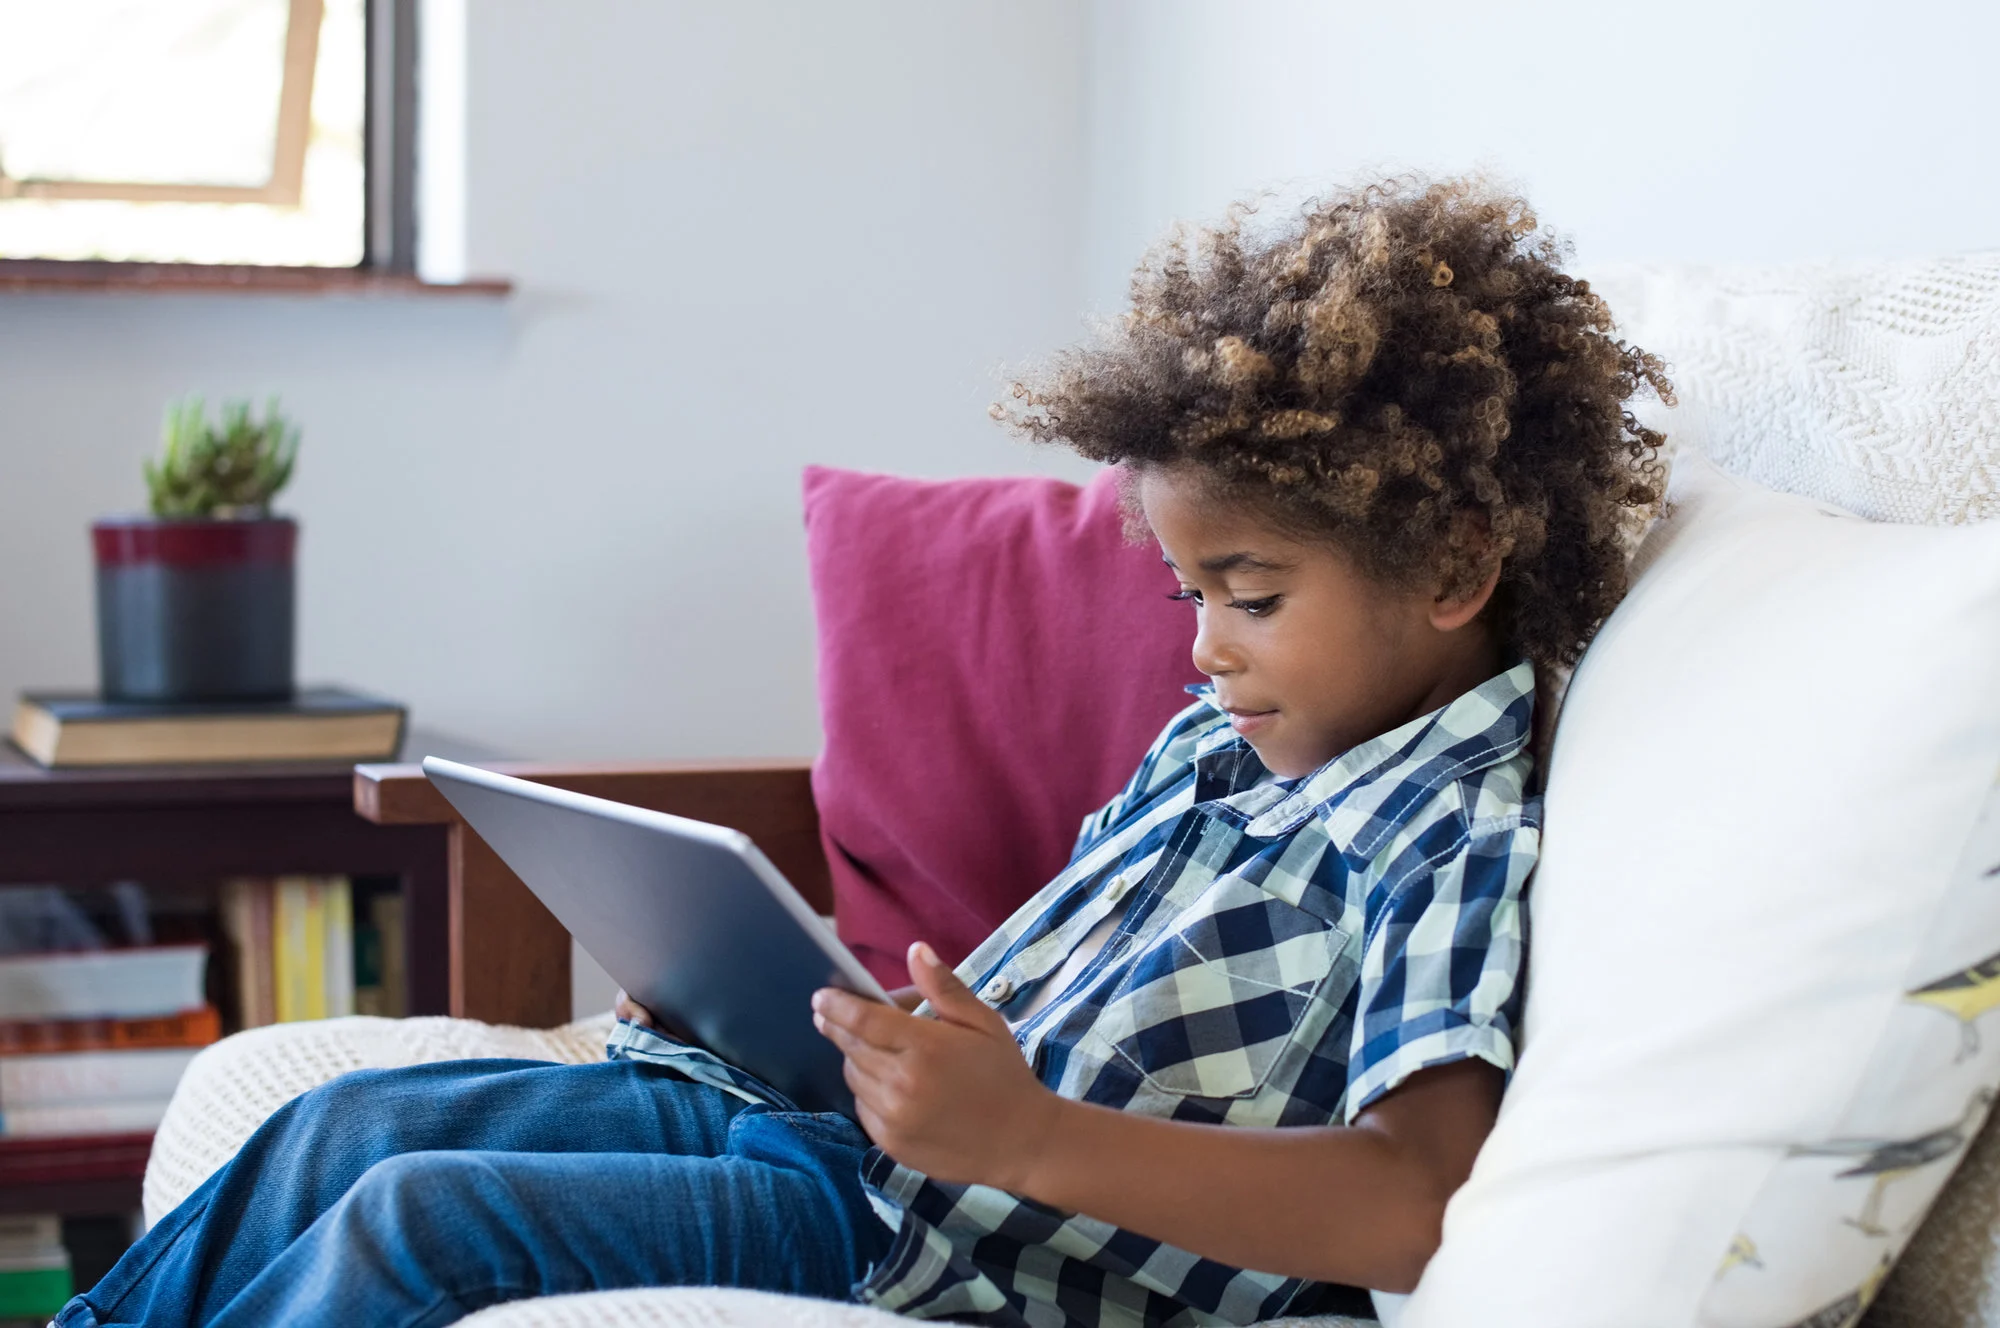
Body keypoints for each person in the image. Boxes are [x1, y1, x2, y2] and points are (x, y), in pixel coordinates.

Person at [57, 176, 1669, 1328]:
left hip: (960, 1238)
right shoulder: (1230, 741)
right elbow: (1040, 994)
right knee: (345, 1128)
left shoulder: (1449, 832)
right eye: (1189, 591)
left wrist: (1025, 1135)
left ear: (1457, 567)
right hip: (859, 1137)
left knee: (426, 1215)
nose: (1201, 645)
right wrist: (789, 1000)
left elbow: (1414, 1194)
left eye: (1250, 596)